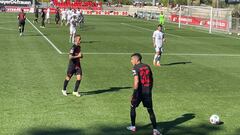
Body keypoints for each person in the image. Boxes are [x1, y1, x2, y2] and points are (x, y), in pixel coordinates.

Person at [127, 53, 161, 135]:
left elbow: (136, 81)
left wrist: (134, 93)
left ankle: (133, 126)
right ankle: (155, 130)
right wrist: (149, 89)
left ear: (136, 59)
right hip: (147, 92)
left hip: (139, 92)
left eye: (132, 59)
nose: (131, 61)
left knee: (132, 107)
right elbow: (151, 79)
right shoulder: (147, 66)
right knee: (150, 110)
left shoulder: (135, 68)